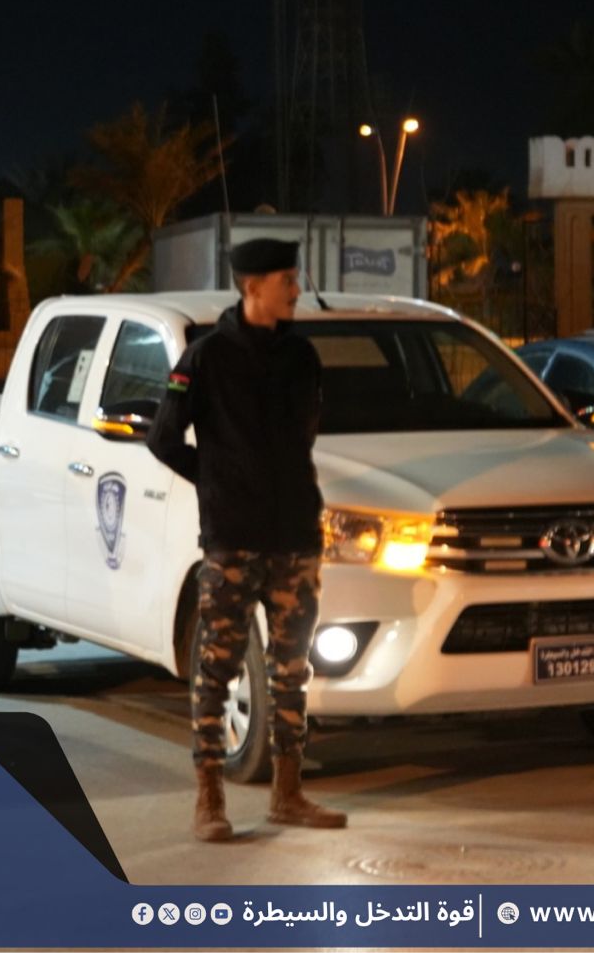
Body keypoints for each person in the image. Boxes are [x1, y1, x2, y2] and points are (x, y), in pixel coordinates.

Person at [147, 237, 346, 842]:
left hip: (295, 539)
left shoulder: (303, 356)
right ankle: (209, 798)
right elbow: (162, 439)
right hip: (233, 539)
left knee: (292, 671)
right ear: (252, 286)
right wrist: (217, 480)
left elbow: (306, 434)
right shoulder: (204, 358)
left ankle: (288, 793)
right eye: (288, 279)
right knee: (218, 668)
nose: (297, 288)